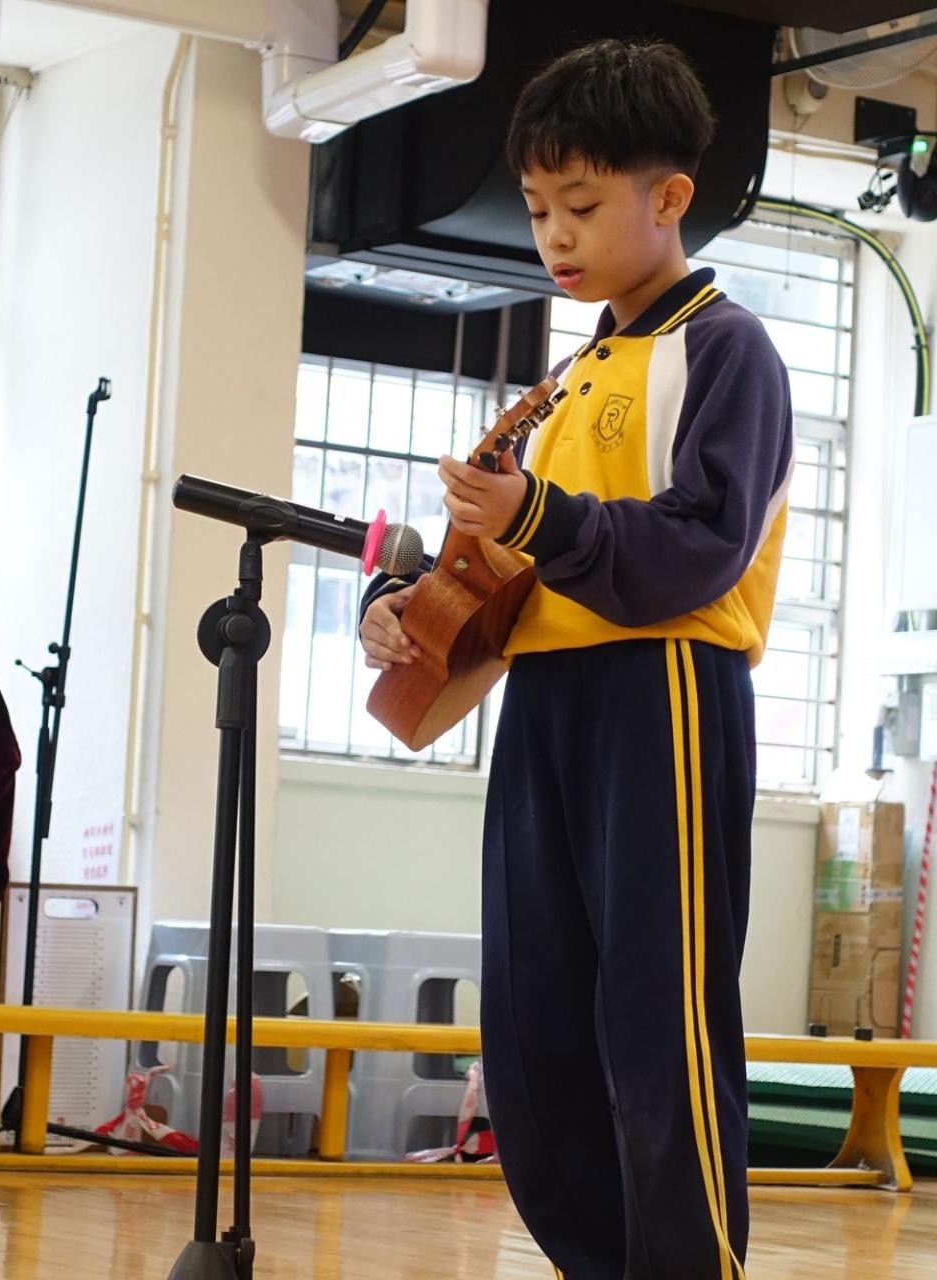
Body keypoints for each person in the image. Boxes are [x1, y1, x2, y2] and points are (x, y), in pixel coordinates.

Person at [359, 37, 793, 1280]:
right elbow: (504, 562)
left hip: (664, 694)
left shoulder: (729, 350)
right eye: (540, 205)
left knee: (657, 1013)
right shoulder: (568, 375)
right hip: (543, 698)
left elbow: (699, 546)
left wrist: (537, 515)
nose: (553, 233)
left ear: (671, 197)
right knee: (535, 1021)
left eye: (582, 204)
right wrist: (402, 602)